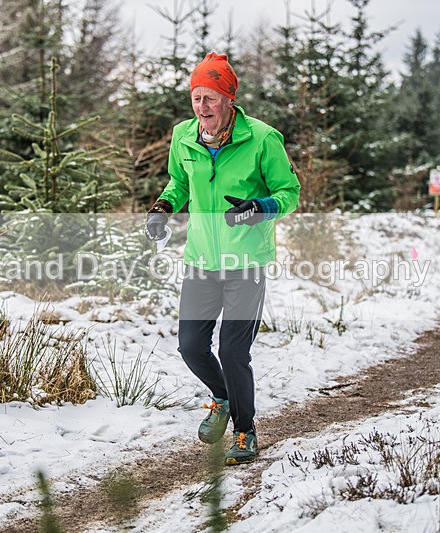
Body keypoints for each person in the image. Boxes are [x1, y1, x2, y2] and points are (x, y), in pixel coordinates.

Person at [145, 52, 300, 465]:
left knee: (234, 352)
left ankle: (245, 432)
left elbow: (290, 193)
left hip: (245, 262)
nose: (203, 107)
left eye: (211, 98)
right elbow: (179, 183)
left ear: (229, 99)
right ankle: (222, 397)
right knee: (191, 345)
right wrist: (162, 207)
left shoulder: (263, 139)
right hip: (201, 260)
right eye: (197, 98)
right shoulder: (184, 136)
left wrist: (260, 207)